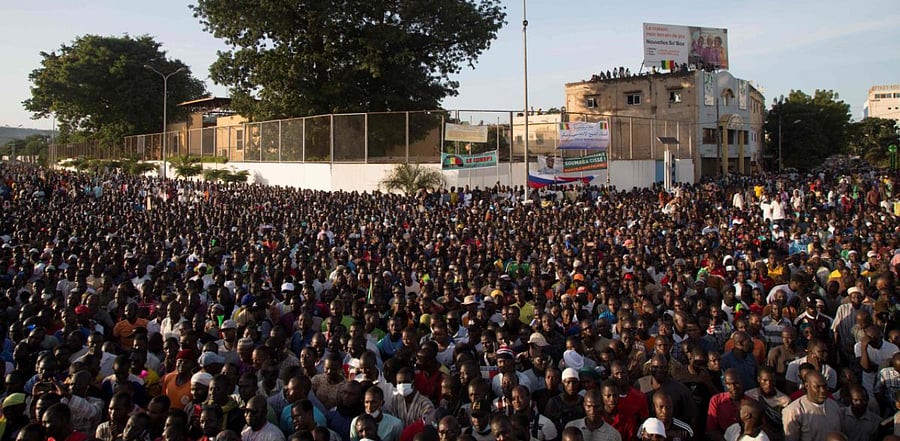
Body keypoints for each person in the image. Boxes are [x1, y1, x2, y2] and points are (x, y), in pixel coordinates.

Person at [782, 371, 841, 441]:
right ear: (807, 386)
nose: (822, 390)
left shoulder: (834, 406)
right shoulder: (794, 411)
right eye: (817, 387)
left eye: (824, 386)